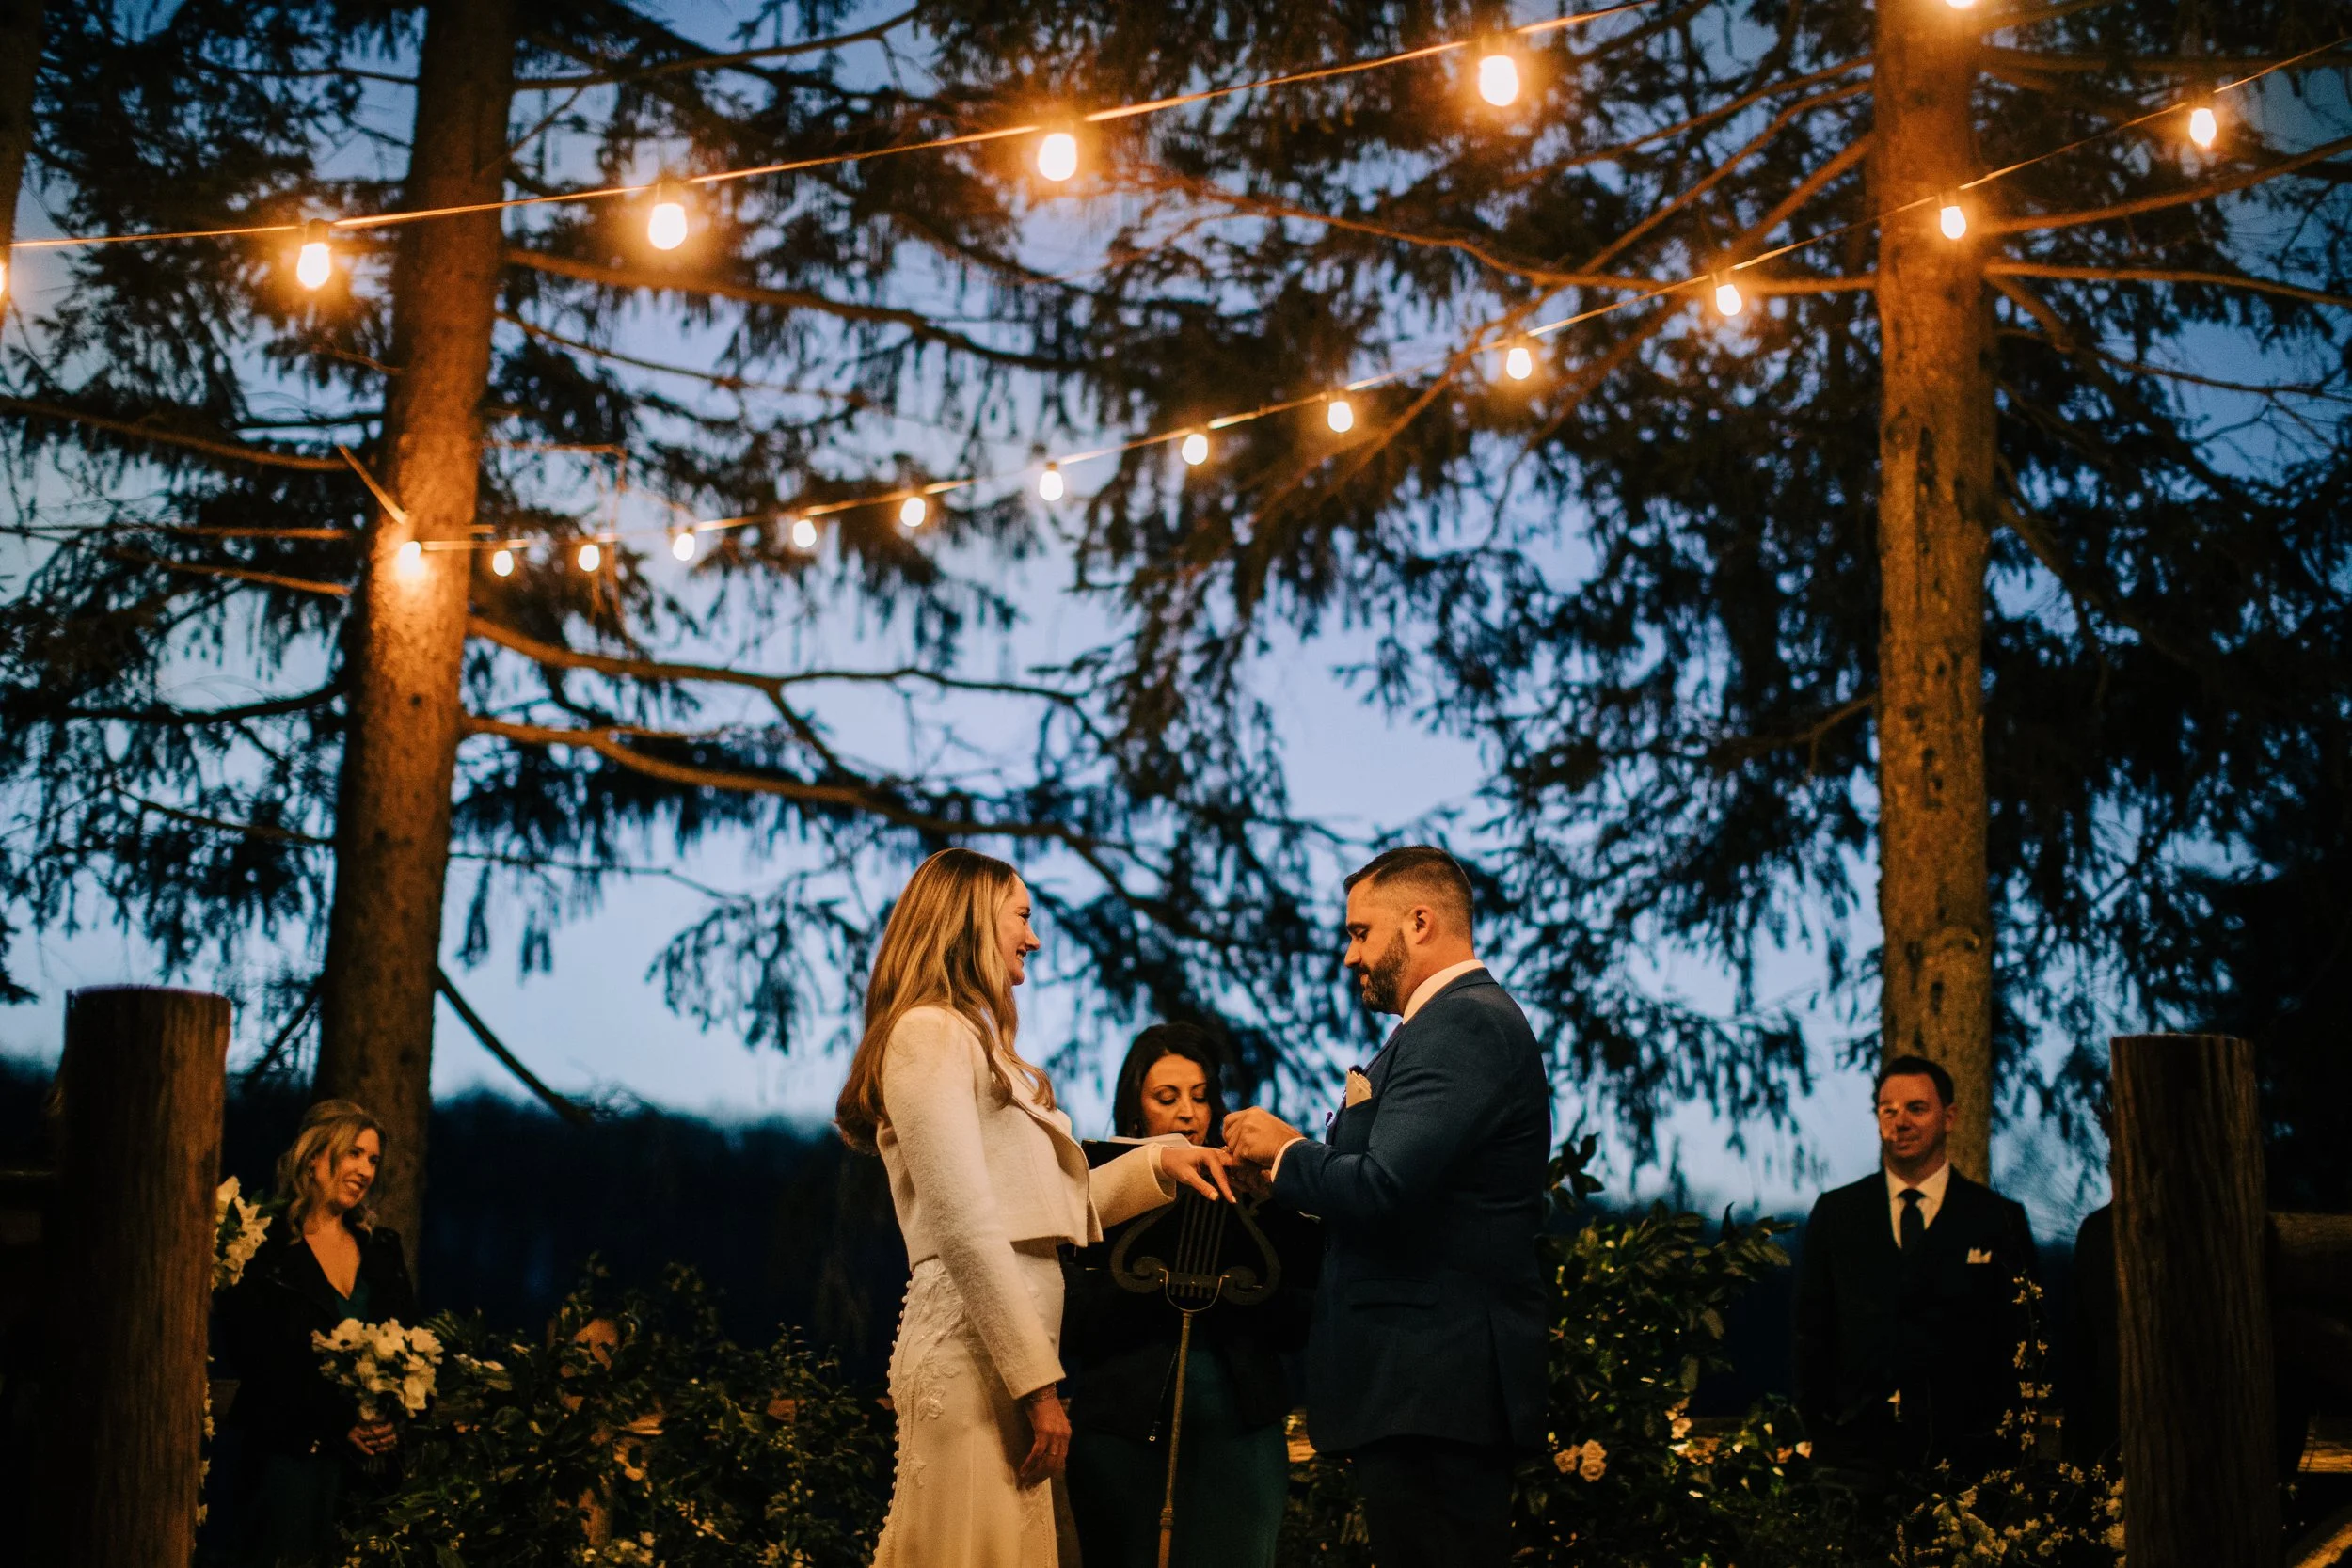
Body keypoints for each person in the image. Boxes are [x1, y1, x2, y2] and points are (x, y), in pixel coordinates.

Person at [834, 847, 1237, 1568]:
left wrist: (1158, 1161)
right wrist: (1039, 1387)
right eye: (1022, 915)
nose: (1034, 936)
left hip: (1000, 1357)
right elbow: (964, 1222)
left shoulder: (973, 1040)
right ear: (971, 919)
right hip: (974, 1354)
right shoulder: (929, 1034)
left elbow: (1046, 1206)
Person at [1225, 846, 1550, 1568]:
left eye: (1360, 932)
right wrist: (1282, 1184)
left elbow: (1383, 1186)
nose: (1350, 956)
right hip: (1419, 1391)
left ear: (1422, 920)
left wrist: (1285, 1153)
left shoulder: (1465, 1025)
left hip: (1436, 1390)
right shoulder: (1438, 1030)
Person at [1062, 1023, 1317, 1568]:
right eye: (1167, 1098)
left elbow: (1299, 1322)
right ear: (1135, 1109)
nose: (1187, 1114)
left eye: (1201, 1098)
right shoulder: (1094, 1189)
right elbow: (1069, 1321)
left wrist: (1279, 1204)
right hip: (1122, 1430)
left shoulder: (1259, 1192)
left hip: (1240, 1426)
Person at [1792, 1056, 2038, 1482]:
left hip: (1966, 1459)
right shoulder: (1837, 1213)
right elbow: (1809, 1329)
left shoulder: (1997, 1219)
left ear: (1950, 1117)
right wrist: (1817, 1426)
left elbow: (2023, 1335)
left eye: (1916, 1109)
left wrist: (2008, 1444)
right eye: (1888, 1110)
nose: (1900, 1122)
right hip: (1854, 1456)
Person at [215, 1101, 419, 1567]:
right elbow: (257, 1358)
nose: (366, 1169)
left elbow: (410, 1341)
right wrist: (335, 1421)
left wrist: (393, 1415)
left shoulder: (381, 1250)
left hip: (367, 1474)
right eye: (354, 1154)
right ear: (314, 1158)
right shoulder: (263, 1249)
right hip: (291, 1463)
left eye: (372, 1160)